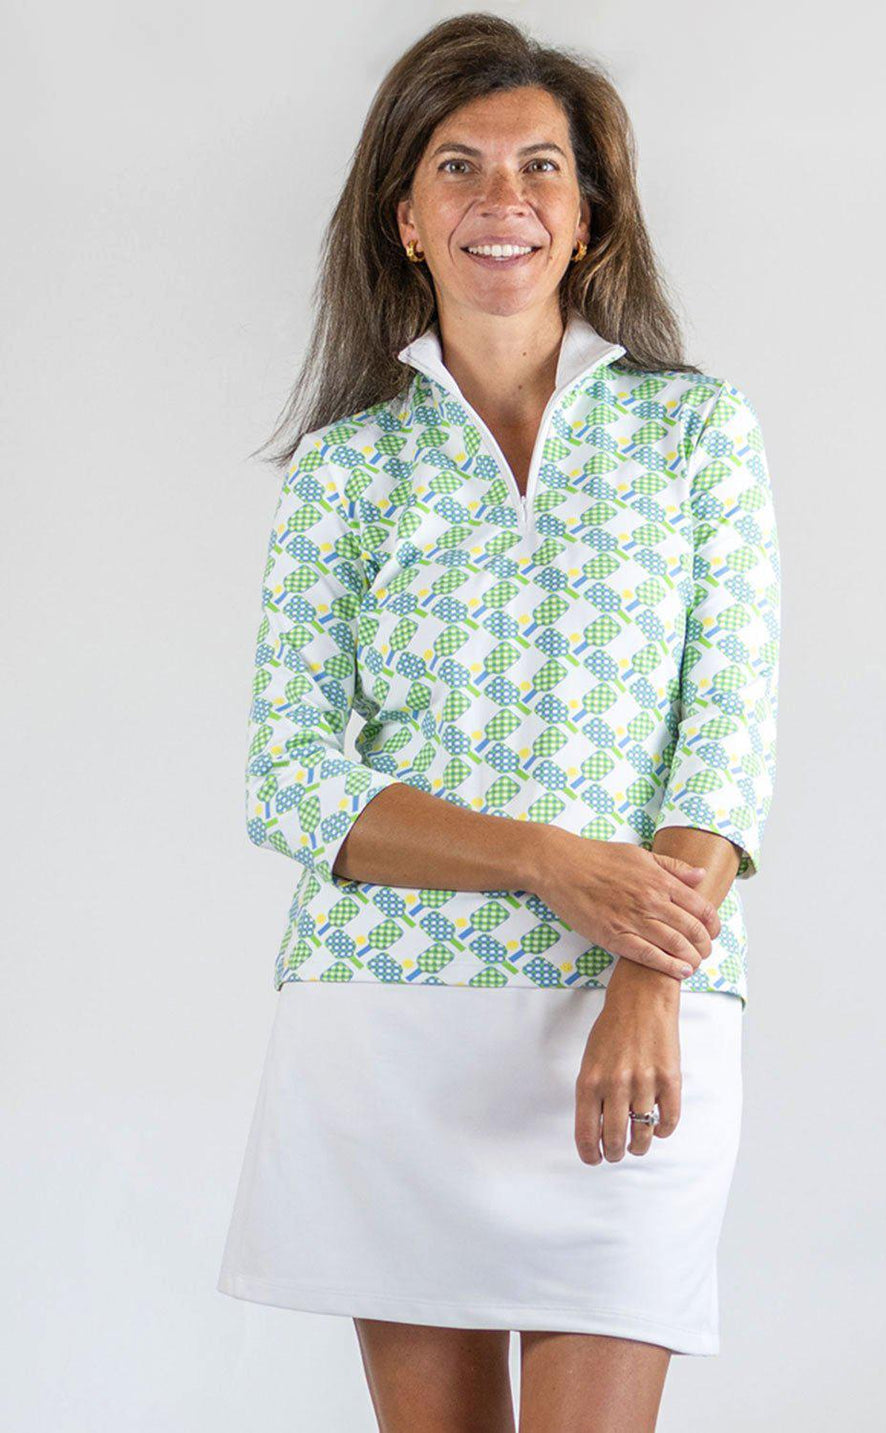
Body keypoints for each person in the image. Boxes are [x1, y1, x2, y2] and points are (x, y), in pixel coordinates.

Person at [217, 13, 781, 1431]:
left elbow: (726, 738)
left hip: (637, 1013)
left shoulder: (697, 433)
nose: (502, 197)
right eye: (457, 166)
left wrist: (647, 974)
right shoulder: (348, 469)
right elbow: (289, 775)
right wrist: (545, 859)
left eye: (540, 166)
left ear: (589, 216)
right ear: (406, 219)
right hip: (387, 1018)